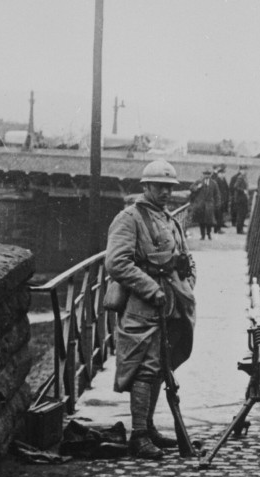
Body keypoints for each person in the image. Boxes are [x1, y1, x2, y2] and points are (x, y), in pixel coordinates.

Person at [105, 159, 196, 460]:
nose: (166, 192)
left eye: (170, 187)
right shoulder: (129, 218)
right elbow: (117, 262)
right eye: (159, 186)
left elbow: (183, 258)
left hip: (170, 303)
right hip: (143, 305)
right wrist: (151, 289)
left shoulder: (167, 218)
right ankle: (139, 436)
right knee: (144, 367)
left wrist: (187, 282)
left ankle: (149, 427)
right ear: (145, 186)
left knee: (159, 368)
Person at [188, 169, 222, 240]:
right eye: (205, 174)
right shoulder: (199, 181)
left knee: (209, 221)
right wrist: (197, 187)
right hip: (201, 204)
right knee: (201, 221)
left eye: (208, 174)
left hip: (209, 205)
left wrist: (218, 203)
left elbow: (217, 194)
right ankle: (202, 235)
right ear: (203, 174)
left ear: (210, 175)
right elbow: (191, 188)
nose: (206, 176)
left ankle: (209, 234)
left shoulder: (213, 183)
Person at [229, 166, 250, 235]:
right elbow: (235, 186)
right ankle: (239, 230)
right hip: (240, 199)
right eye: (244, 170)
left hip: (242, 199)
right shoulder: (240, 178)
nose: (245, 171)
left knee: (242, 214)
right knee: (241, 215)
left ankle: (240, 229)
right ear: (240, 170)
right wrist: (243, 191)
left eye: (246, 170)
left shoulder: (243, 177)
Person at [214, 164, 230, 232]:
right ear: (219, 174)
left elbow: (226, 189)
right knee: (218, 215)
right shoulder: (217, 180)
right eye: (222, 173)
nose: (223, 175)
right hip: (218, 200)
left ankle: (219, 227)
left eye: (224, 173)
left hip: (223, 200)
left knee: (220, 215)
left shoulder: (223, 180)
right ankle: (217, 229)